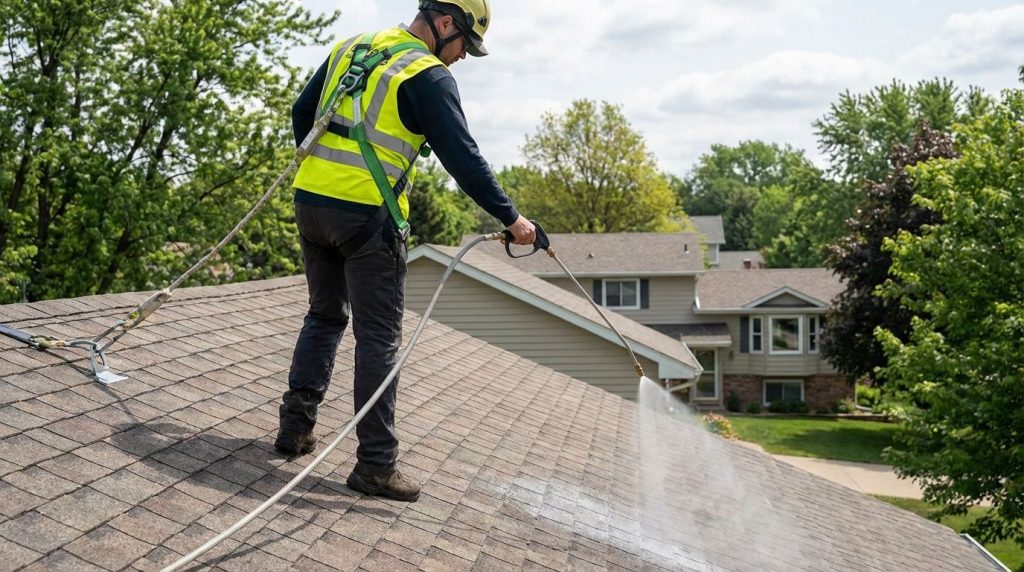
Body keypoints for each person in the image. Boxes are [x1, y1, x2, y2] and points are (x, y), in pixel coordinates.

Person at [275, 0, 535, 504]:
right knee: (378, 341)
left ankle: (294, 431)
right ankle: (375, 466)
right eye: (464, 45)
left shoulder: (352, 47)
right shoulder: (427, 75)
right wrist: (512, 219)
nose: (461, 57)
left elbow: (301, 113)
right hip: (367, 218)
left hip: (311, 203)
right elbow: (464, 156)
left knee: (324, 317)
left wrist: (327, 176)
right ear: (444, 25)